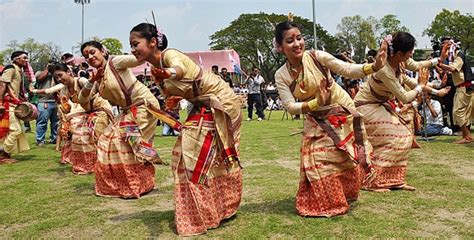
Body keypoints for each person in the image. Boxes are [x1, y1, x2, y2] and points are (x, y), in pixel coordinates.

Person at [130, 22, 242, 236]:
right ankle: (212, 209)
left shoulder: (170, 55)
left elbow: (179, 71)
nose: (133, 50)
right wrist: (170, 103)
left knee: (199, 155)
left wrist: (167, 73)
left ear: (153, 42)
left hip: (221, 101)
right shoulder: (155, 73)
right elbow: (172, 97)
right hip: (200, 105)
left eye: (136, 44)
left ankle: (214, 209)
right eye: (131, 46)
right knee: (186, 156)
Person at [273, 20, 384, 217]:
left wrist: (373, 66)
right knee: (317, 158)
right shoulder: (281, 75)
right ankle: (328, 198)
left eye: (299, 38)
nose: (297, 44)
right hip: (315, 116)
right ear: (279, 47)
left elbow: (347, 70)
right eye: (290, 41)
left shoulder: (316, 56)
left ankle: (346, 192)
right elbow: (290, 107)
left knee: (345, 157)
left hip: (340, 109)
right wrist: (316, 102)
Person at [354, 32, 451, 192]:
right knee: (395, 137)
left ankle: (394, 180)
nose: (412, 55)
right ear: (400, 53)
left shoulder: (399, 61)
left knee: (405, 136)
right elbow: (405, 97)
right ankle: (372, 181)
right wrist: (422, 86)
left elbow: (416, 69)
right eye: (410, 52)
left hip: (379, 105)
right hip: (366, 107)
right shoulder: (385, 70)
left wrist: (439, 62)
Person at [79, 41, 162, 198]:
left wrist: (152, 47)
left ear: (103, 51)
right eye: (85, 56)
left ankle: (136, 184)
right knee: (105, 140)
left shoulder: (115, 62)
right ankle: (127, 183)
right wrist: (91, 81)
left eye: (92, 52)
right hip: (127, 112)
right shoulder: (98, 79)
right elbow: (82, 100)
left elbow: (141, 58)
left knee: (127, 143)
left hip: (143, 106)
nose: (89, 57)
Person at [31, 63, 113, 174]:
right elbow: (67, 109)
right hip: (87, 112)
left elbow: (98, 89)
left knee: (96, 136)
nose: (59, 79)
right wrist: (63, 106)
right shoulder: (64, 90)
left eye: (61, 75)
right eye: (57, 77)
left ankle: (103, 165)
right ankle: (89, 165)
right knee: (78, 137)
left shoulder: (81, 81)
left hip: (101, 109)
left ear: (68, 72)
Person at [437, 37, 473, 144]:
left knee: (457, 111)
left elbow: (453, 68)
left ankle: (467, 136)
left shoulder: (459, 56)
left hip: (464, 87)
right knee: (464, 112)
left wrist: (440, 64)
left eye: (447, 45)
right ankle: (467, 135)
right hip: (462, 87)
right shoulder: (457, 56)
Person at [0, 51, 31, 164]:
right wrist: (0, 103)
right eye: (24, 58)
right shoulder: (11, 68)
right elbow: (3, 84)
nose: (26, 60)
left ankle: (5, 154)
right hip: (8, 103)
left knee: (11, 131)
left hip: (13, 103)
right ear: (16, 59)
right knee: (16, 130)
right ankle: (3, 155)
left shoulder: (19, 70)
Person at [34, 62, 59, 147]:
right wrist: (47, 69)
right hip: (44, 101)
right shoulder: (39, 72)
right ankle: (40, 140)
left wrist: (54, 71)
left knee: (56, 123)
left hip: (56, 101)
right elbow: (39, 79)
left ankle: (55, 139)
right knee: (42, 122)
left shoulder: (57, 74)